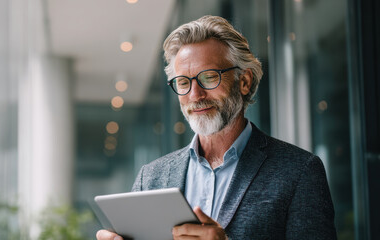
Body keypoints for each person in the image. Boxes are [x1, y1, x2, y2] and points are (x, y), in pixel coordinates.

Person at [96, 15, 336, 240]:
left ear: (244, 81)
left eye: (209, 77)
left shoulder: (299, 171)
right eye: (183, 82)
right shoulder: (151, 177)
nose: (195, 94)